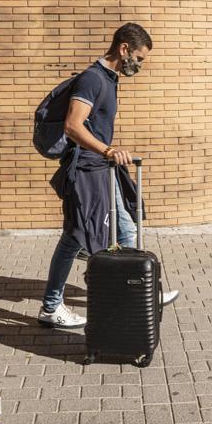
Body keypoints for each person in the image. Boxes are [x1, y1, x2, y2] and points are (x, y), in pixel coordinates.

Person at [38, 23, 180, 330]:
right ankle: (56, 305)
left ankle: (136, 291)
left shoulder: (108, 79)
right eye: (139, 58)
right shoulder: (92, 79)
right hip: (89, 168)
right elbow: (73, 126)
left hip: (101, 166)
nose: (140, 66)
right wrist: (108, 150)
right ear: (124, 48)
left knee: (108, 230)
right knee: (89, 235)